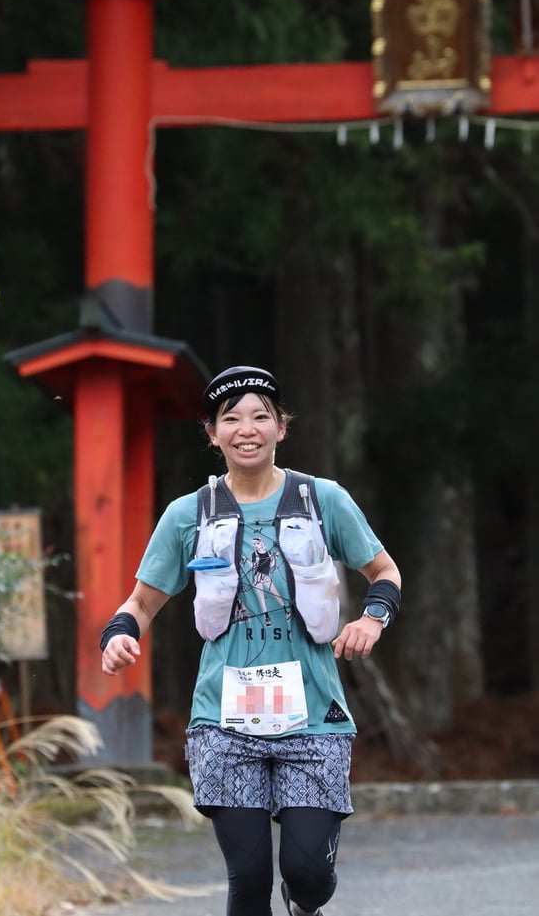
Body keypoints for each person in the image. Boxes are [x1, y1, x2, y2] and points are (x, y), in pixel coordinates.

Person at [101, 365, 401, 916]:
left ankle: (304, 901)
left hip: (312, 715)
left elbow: (385, 572)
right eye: (230, 418)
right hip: (223, 720)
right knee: (249, 875)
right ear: (212, 433)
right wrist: (118, 635)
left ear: (281, 428)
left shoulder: (322, 500)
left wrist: (371, 620)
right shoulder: (188, 514)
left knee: (307, 872)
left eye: (261, 416)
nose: (247, 428)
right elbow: (141, 602)